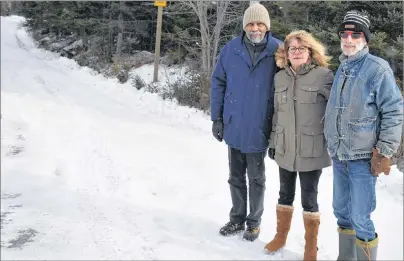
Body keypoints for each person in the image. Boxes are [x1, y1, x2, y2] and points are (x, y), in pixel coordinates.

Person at [324, 10, 404, 261]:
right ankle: (345, 258)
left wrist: (384, 150)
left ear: (365, 39)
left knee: (361, 216)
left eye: (355, 34)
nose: (348, 39)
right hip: (340, 155)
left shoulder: (377, 69)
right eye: (344, 34)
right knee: (342, 212)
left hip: (362, 158)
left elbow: (393, 110)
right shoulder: (343, 66)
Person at [210, 3, 281, 242]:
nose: (255, 28)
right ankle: (237, 218)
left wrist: (278, 131)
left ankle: (254, 222)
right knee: (235, 176)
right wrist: (217, 118)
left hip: (260, 125)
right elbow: (218, 82)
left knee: (257, 178)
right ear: (244, 26)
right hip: (234, 123)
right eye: (251, 24)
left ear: (267, 26)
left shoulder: (278, 51)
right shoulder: (231, 49)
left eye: (260, 24)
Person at [262, 30, 334, 260]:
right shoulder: (279, 77)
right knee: (284, 193)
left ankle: (310, 246)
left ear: (311, 52)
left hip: (311, 148)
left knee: (309, 198)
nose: (297, 52)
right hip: (284, 147)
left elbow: (335, 112)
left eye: (301, 48)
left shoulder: (324, 76)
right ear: (286, 53)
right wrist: (273, 141)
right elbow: (276, 114)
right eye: (292, 48)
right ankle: (280, 236)